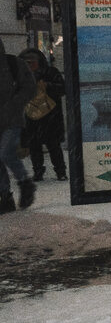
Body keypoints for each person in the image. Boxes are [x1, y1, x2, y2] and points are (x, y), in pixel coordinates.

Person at [1, 36, 37, 213]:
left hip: (12, 119)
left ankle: (25, 182)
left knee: (5, 153)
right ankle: (5, 196)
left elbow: (30, 88)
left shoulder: (13, 64)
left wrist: (13, 105)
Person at [18, 48, 67, 182]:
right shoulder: (21, 75)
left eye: (32, 62)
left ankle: (60, 171)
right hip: (31, 117)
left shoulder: (51, 73)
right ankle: (38, 171)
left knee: (54, 146)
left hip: (50, 118)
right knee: (35, 147)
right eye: (26, 63)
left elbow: (62, 89)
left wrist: (48, 86)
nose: (29, 65)